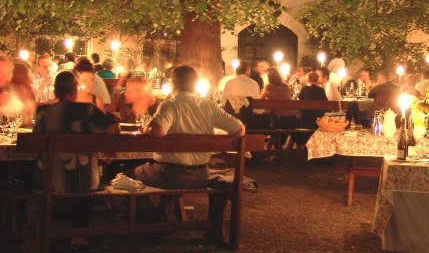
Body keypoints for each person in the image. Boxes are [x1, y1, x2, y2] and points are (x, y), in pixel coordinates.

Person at [133, 65, 244, 220]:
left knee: (133, 174)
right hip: (201, 175)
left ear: (174, 83)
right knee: (171, 174)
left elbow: (157, 131)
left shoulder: (170, 105)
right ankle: (161, 213)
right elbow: (240, 129)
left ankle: (151, 216)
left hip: (170, 175)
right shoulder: (209, 106)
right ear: (195, 84)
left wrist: (146, 128)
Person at [33, 71, 120, 249]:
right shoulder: (89, 110)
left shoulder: (43, 112)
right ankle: (78, 233)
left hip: (49, 180)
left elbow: (35, 142)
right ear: (75, 89)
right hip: (86, 180)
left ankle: (44, 226)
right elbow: (114, 127)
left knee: (33, 173)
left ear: (55, 91)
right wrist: (108, 147)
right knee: (86, 176)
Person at [220, 61, 265, 128]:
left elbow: (223, 102)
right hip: (251, 121)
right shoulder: (254, 84)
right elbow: (259, 110)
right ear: (247, 71)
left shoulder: (230, 83)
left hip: (233, 121)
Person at [10, 61, 37, 126]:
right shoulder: (11, 90)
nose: (31, 76)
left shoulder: (30, 89)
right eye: (29, 74)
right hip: (15, 127)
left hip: (28, 126)